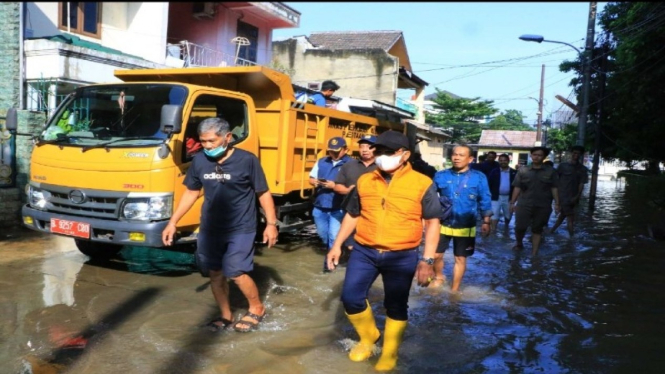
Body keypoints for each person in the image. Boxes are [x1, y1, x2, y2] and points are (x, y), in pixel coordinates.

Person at [326, 130, 440, 372]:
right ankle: (369, 338)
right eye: (378, 151)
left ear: (405, 154)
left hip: (402, 254)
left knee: (396, 305)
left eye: (388, 152)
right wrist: (336, 245)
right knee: (351, 298)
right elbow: (353, 214)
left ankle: (390, 351)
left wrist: (427, 260)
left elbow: (432, 223)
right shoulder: (365, 181)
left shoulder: (422, 183)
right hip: (364, 250)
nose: (381, 156)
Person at [162, 117, 278, 333]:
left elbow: (262, 192)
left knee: (235, 271)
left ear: (227, 137)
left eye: (211, 141)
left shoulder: (247, 160)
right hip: (210, 228)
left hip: (241, 226)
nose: (207, 146)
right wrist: (173, 222)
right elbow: (191, 192)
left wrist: (271, 224)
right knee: (214, 272)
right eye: (203, 141)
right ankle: (226, 315)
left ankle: (257, 308)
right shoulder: (199, 161)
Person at [431, 144, 492, 292]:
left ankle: (454, 289)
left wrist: (486, 221)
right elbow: (430, 198)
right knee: (436, 255)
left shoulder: (479, 177)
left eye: (461, 155)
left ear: (470, 159)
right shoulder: (441, 175)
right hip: (443, 222)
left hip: (466, 225)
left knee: (460, 258)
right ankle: (439, 277)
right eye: (454, 154)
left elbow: (485, 199)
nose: (456, 157)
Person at [309, 136, 352, 272]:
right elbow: (311, 178)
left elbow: (353, 187)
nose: (333, 154)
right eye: (331, 151)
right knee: (323, 235)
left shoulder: (351, 164)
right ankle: (340, 250)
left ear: (345, 150)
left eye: (337, 151)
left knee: (334, 236)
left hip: (338, 207)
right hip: (320, 205)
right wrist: (315, 182)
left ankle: (329, 265)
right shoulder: (322, 161)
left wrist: (335, 186)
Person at [510, 146, 560, 255]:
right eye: (534, 155)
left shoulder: (551, 171)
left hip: (543, 205)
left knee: (537, 229)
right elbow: (517, 187)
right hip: (524, 204)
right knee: (520, 227)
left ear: (544, 157)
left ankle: (534, 253)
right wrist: (512, 202)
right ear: (531, 155)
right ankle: (519, 243)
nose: (536, 157)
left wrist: (557, 203)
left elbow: (554, 188)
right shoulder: (523, 170)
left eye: (539, 155)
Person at [334, 134, 378, 253]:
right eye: (362, 146)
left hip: (373, 213)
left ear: (376, 148)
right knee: (351, 245)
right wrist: (348, 190)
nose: (364, 150)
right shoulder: (349, 166)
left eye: (369, 146)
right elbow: (337, 185)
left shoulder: (382, 167)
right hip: (351, 211)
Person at [550, 145, 589, 237]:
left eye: (579, 153)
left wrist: (577, 196)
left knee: (563, 215)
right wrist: (556, 198)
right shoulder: (562, 166)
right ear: (571, 153)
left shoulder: (583, 169)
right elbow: (555, 181)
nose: (576, 155)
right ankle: (571, 239)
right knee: (570, 218)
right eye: (574, 153)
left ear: (581, 155)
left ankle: (552, 231)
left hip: (573, 197)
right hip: (562, 196)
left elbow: (581, 184)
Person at [488, 153, 517, 232]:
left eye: (504, 160)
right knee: (494, 215)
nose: (503, 162)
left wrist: (514, 200)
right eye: (501, 160)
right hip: (495, 197)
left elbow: (517, 187)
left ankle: (506, 228)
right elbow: (488, 184)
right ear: (498, 161)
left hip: (509, 198)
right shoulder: (494, 172)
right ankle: (493, 231)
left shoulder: (514, 172)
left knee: (508, 215)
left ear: (508, 161)